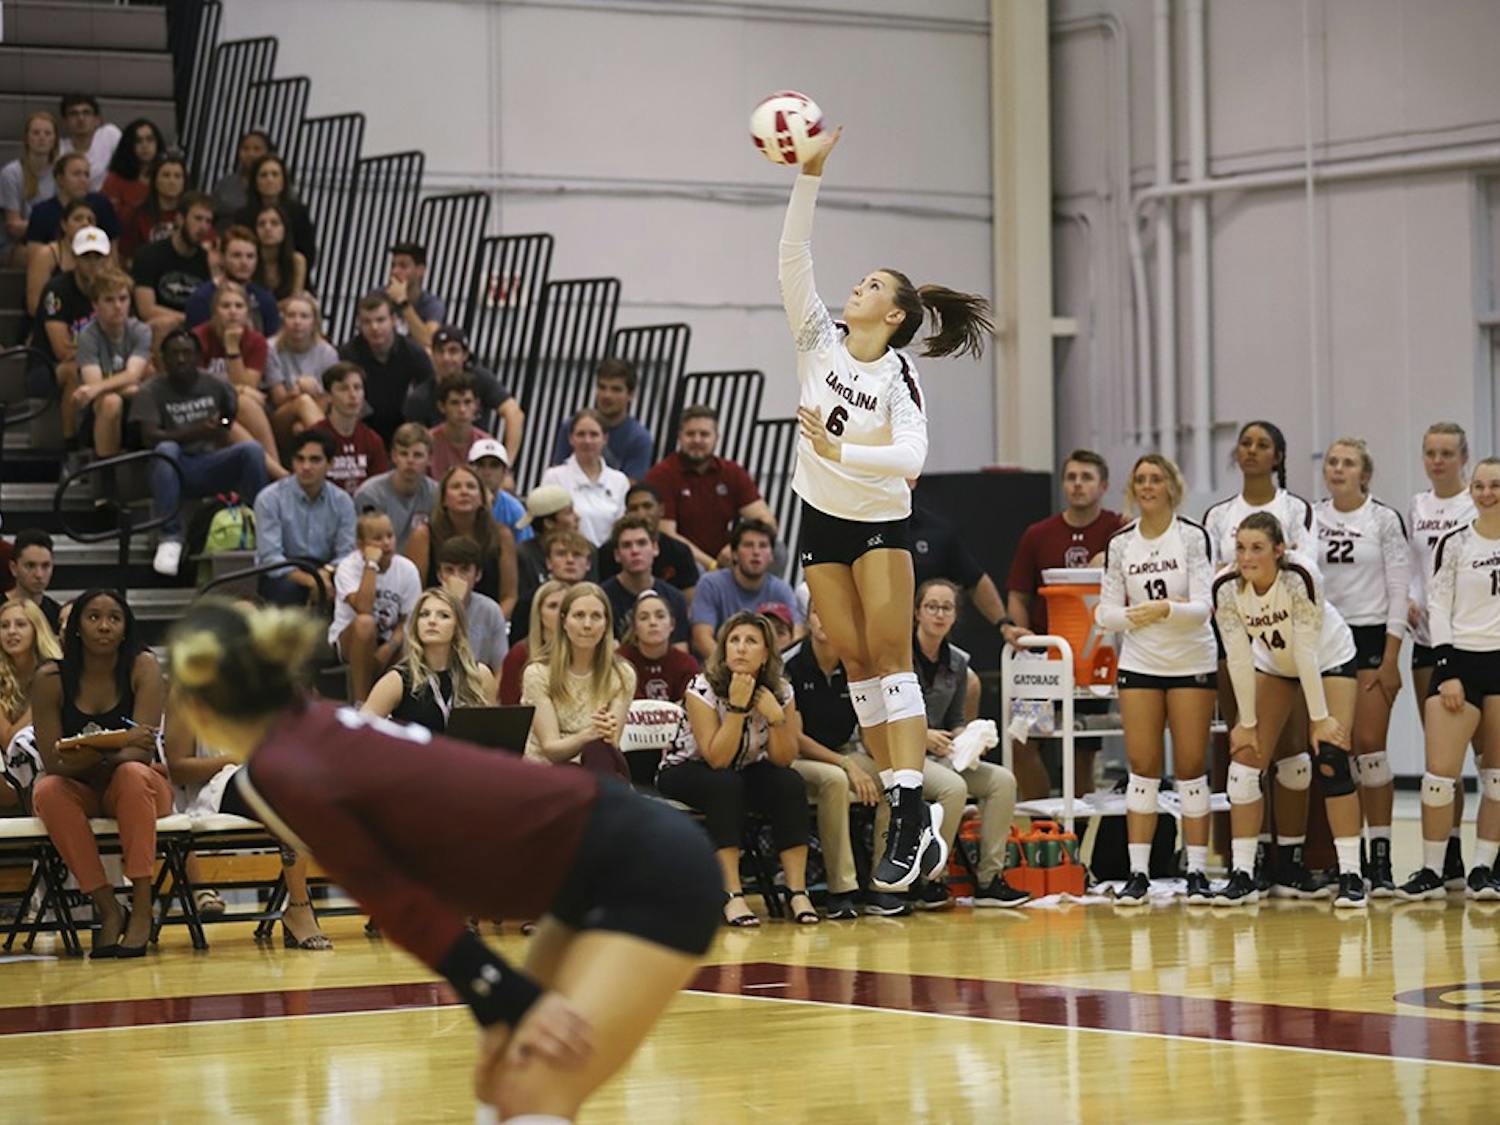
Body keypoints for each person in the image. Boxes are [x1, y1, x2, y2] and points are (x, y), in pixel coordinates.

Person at [165, 599, 720, 1124]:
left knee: (535, 1085)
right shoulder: (313, 722)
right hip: (592, 862)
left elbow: (392, 898)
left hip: (644, 866)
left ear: (200, 702)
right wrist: (500, 995)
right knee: (502, 1081)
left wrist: (500, 990)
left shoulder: (283, 765)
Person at [1214, 512, 1366, 908]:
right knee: (1246, 759)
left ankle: (1351, 874)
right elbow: (1238, 658)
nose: (1247, 558)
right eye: (1241, 548)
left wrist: (1320, 718)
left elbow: (1306, 649)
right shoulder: (1227, 587)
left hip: (1329, 656)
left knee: (1331, 757)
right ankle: (1243, 874)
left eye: (1257, 548)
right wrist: (1246, 724)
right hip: (1273, 664)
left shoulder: (1300, 575)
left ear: (1279, 550)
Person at [1095, 455, 1218, 904]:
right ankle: (1139, 873)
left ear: (1171, 485)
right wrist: (1137, 615)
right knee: (1142, 770)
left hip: (1191, 662)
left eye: (1156, 478)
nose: (1148, 486)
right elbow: (1103, 611)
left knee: (1189, 769)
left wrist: (1166, 609)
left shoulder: (1191, 536)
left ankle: (1198, 871)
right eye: (1140, 479)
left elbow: (1204, 607)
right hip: (1141, 663)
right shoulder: (1121, 543)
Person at [31, 590, 167, 957]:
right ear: (76, 628)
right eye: (93, 617)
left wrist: (87, 750)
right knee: (47, 791)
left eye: (114, 618)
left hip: (142, 790)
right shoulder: (50, 678)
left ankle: (142, 907)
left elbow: (142, 751)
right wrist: (115, 746)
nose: (104, 626)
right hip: (85, 791)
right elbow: (53, 762)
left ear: (126, 628)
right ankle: (109, 907)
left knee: (133, 775)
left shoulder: (144, 667)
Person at [658, 611, 816, 926]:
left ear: (766, 653)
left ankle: (797, 891)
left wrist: (776, 718)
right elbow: (716, 758)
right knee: (723, 784)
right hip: (686, 769)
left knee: (789, 782)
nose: (741, 648)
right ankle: (732, 894)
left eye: (750, 641)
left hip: (743, 768)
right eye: (734, 640)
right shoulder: (701, 686)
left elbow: (783, 758)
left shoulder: (781, 690)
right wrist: (738, 708)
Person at [1396, 457, 1500, 902]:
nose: (1486, 493)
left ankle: (1482, 870)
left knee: (1496, 777)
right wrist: (1447, 669)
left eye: (1495, 485)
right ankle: (1432, 871)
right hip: (1462, 661)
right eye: (1479, 485)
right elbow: (1438, 606)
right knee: (1439, 777)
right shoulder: (1455, 544)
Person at [1315, 437, 1410, 897]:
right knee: (1335, 749)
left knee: (1371, 749)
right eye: (1333, 462)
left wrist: (1391, 658)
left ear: (1364, 474)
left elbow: (1398, 591)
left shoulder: (1383, 519)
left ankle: (1382, 856)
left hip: (1372, 638)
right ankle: (1342, 859)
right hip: (1326, 640)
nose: (1338, 469)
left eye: (1348, 463)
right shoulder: (1311, 517)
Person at [1003, 449, 1124, 800]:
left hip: (1094, 659)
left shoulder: (1119, 530)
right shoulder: (1038, 535)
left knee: (1082, 753)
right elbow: (1018, 594)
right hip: (1046, 660)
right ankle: (1043, 826)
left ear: (1103, 486)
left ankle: (1076, 835)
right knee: (1023, 740)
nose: (1077, 484)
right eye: (1071, 477)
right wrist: (1025, 643)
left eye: (1086, 477)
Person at [907, 579, 1030, 910]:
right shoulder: (900, 657)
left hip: (941, 752)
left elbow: (957, 718)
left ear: (955, 615)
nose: (938, 614)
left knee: (1003, 781)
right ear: (917, 612)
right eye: (931, 606)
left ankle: (990, 880)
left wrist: (969, 739)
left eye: (946, 607)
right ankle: (929, 879)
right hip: (903, 752)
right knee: (953, 787)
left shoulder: (959, 662)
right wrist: (922, 736)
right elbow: (885, 718)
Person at [781, 598, 890, 919]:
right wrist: (846, 764)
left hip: (845, 750)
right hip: (797, 756)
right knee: (836, 781)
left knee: (892, 777)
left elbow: (868, 724)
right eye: (818, 612)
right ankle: (841, 888)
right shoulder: (791, 665)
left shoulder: (855, 664)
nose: (826, 620)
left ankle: (884, 884)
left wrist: (878, 761)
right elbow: (796, 739)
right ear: (808, 619)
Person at [132, 328, 267, 577]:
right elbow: (149, 436)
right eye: (174, 354)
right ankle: (170, 537)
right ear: (163, 359)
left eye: (187, 353)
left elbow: (229, 417)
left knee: (252, 450)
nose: (181, 359)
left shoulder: (216, 384)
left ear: (197, 357)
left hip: (210, 461)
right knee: (165, 449)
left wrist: (220, 427)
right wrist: (198, 431)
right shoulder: (150, 391)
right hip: (173, 468)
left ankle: (256, 526)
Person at [1407, 421, 1477, 888]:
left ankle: (1488, 857)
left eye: (1446, 453)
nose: (1437, 461)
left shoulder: (1480, 502)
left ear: (1463, 457)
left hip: (1477, 641)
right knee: (1442, 761)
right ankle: (1448, 853)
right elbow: (1414, 568)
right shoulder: (1416, 506)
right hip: (1429, 640)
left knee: (1488, 759)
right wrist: (1413, 599)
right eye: (1431, 452)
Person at [644, 404, 778, 570]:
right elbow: (668, 535)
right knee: (691, 565)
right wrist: (713, 565)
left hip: (725, 555)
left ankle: (763, 594)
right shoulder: (662, 474)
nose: (697, 440)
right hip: (684, 559)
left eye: (704, 434)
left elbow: (767, 522)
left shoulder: (731, 472)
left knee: (777, 550)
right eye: (690, 434)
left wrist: (735, 547)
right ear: (679, 437)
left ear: (717, 438)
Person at [521, 583, 634, 779]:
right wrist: (588, 734)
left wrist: (605, 733)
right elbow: (551, 750)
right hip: (547, 771)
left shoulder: (623, 674)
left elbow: (612, 744)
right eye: (579, 615)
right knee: (576, 766)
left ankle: (603, 801)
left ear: (606, 623)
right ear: (564, 621)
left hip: (597, 767)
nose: (588, 625)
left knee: (600, 749)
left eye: (596, 616)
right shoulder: (537, 673)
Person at [192, 280, 288, 481]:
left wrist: (233, 348)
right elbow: (195, 386)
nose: (233, 312)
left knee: (236, 413)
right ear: (215, 311)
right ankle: (281, 476)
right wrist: (240, 389)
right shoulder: (198, 337)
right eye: (226, 306)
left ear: (247, 312)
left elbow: (249, 384)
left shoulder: (256, 341)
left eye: (239, 306)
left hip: (232, 412)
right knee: (234, 412)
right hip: (203, 408)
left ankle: (275, 473)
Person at [363, 588, 496, 730]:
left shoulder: (479, 675)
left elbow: (495, 733)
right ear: (416, 624)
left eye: (443, 616)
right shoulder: (397, 680)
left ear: (457, 627)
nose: (431, 621)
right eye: (424, 615)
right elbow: (359, 730)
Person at [255, 429, 357, 607]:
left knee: (352, 589)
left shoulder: (343, 501)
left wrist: (325, 573)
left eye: (315, 460)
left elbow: (346, 554)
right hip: (284, 573)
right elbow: (271, 558)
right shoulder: (269, 498)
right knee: (287, 591)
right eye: (300, 459)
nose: (306, 467)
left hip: (328, 570)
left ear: (330, 464)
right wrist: (312, 581)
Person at [28, 224, 111, 439]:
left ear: (108, 259)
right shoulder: (57, 290)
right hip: (46, 368)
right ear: (74, 259)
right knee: (75, 370)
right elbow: (62, 350)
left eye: (98, 257)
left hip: (98, 360)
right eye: (86, 257)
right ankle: (70, 445)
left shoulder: (115, 291)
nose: (93, 264)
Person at [331, 510, 422, 704]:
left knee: (415, 642)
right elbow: (363, 608)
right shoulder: (348, 567)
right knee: (365, 623)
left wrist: (389, 647)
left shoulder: (407, 569)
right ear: (361, 546)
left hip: (391, 639)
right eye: (377, 538)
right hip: (351, 638)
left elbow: (408, 620)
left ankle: (403, 709)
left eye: (390, 535)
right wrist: (371, 564)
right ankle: (361, 704)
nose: (387, 543)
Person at [404, 464, 518, 616]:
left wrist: (491, 624)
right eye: (456, 487)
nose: (464, 492)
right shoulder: (423, 535)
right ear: (443, 499)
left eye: (471, 487)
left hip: (487, 621)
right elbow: (414, 594)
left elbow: (509, 596)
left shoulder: (502, 536)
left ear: (482, 498)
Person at [408, 325, 524, 463]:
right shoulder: (420, 397)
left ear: (465, 355)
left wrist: (506, 464)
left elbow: (514, 414)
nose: (446, 358)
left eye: (453, 351)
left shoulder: (480, 379)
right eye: (440, 351)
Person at [689, 519, 801, 661]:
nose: (756, 552)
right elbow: (701, 638)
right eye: (748, 545)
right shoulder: (711, 584)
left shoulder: (782, 589)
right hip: (718, 669)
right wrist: (732, 667)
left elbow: (798, 634)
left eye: (763, 546)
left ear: (771, 555)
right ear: (734, 553)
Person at [73, 266, 150, 458]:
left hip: (135, 406)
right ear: (95, 305)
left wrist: (97, 389)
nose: (118, 306)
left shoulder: (141, 331)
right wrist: (129, 388)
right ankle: (106, 475)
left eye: (123, 299)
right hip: (96, 413)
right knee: (111, 402)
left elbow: (133, 374)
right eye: (109, 300)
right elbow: (93, 385)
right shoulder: (87, 336)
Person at [340, 291, 436, 446]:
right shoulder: (348, 354)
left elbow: (430, 391)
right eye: (367, 322)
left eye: (380, 320)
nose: (374, 327)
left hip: (405, 429)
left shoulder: (413, 353)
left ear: (393, 320)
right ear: (359, 324)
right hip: (361, 426)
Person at [549, 358, 654, 480]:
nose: (607, 395)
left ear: (630, 395)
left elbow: (631, 487)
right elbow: (558, 473)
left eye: (616, 389)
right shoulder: (572, 426)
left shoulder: (639, 438)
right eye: (602, 387)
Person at [542, 409, 630, 549]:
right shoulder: (554, 477)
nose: (587, 441)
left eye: (594, 435)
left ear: (605, 439)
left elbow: (622, 529)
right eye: (581, 434)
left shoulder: (620, 481)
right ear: (571, 439)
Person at [131, 191, 214, 339]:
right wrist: (189, 319)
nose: (203, 227)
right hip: (157, 330)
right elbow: (146, 309)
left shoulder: (208, 261)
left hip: (197, 334)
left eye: (208, 221)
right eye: (198, 219)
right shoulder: (149, 255)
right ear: (180, 219)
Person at [597, 482, 699, 601]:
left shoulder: (680, 552)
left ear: (661, 509)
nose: (641, 514)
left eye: (647, 506)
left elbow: (689, 603)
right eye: (634, 508)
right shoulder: (606, 553)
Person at [601, 515, 690, 647]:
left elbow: (681, 651)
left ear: (655, 548)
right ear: (617, 555)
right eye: (627, 545)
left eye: (642, 543)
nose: (635, 551)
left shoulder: (675, 598)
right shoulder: (602, 598)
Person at [355, 423, 438, 551]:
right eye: (404, 454)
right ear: (394, 456)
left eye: (417, 455)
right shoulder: (370, 494)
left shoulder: (436, 493)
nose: (410, 461)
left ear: (430, 459)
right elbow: (365, 544)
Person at [185, 225, 281, 335]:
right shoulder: (201, 299)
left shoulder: (266, 299)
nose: (244, 262)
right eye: (236, 255)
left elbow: (272, 344)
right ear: (222, 257)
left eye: (250, 256)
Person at [436, 535, 509, 674]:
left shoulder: (491, 611)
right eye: (449, 570)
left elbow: (501, 669)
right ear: (440, 575)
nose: (456, 577)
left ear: (478, 575)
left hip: (479, 686)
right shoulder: (424, 608)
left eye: (464, 570)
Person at [0, 599, 63, 759]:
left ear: (37, 630)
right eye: (4, 626)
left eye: (20, 624)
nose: (11, 631)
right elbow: (8, 741)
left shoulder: (55, 673)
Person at [312, 361, 385, 495]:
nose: (353, 395)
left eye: (357, 388)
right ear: (328, 396)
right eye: (343, 389)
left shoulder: (373, 441)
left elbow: (379, 491)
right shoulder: (314, 438)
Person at [235, 154, 317, 271]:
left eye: (275, 174)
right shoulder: (243, 215)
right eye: (263, 175)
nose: (270, 179)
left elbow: (307, 252)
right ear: (255, 181)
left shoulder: (298, 213)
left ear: (283, 180)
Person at [618, 589, 699, 704]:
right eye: (644, 617)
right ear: (634, 628)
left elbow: (692, 706)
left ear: (672, 625)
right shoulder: (620, 661)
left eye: (660, 616)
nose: (653, 622)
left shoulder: (686, 664)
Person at [0, 110, 58, 266]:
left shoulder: (60, 173)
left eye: (47, 133)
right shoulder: (11, 173)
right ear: (27, 138)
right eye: (36, 133)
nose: (42, 138)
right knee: (43, 257)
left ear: (54, 140)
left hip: (53, 242)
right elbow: (13, 226)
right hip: (14, 245)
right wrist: (50, 225)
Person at [25, 196, 99, 319]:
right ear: (64, 224)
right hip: (47, 321)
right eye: (78, 219)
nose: (85, 223)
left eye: (91, 220)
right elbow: (34, 305)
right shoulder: (46, 255)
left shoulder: (102, 256)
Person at [25, 152, 119, 245]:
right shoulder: (42, 212)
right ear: (60, 179)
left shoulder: (101, 204)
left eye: (86, 175)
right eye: (76, 174)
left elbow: (113, 243)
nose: (83, 180)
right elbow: (34, 251)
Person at [500, 579, 568, 706]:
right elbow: (509, 707)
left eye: (565, 607)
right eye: (553, 606)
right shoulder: (520, 654)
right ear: (539, 613)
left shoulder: (582, 650)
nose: (560, 613)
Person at [267, 291, 340, 409]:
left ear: (314, 322)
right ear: (283, 320)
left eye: (304, 316)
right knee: (304, 402)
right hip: (282, 411)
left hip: (318, 408)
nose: (297, 322)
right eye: (291, 315)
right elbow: (278, 399)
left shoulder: (328, 353)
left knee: (299, 428)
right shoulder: (271, 347)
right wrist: (299, 389)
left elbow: (331, 397)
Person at [99, 118, 164, 237]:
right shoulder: (115, 180)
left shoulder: (168, 176)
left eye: (149, 140)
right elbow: (107, 218)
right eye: (138, 141)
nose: (145, 145)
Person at [119, 154, 187, 264]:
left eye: (178, 176)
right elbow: (126, 256)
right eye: (166, 175)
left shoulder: (192, 216)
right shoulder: (137, 215)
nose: (172, 181)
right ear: (155, 180)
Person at [428, 373, 491, 480]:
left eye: (467, 402)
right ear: (442, 407)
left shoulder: (487, 444)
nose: (462, 410)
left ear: (476, 405)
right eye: (454, 403)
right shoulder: (428, 441)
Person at [56, 95, 122, 193]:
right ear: (65, 121)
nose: (81, 118)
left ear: (97, 120)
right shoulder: (59, 148)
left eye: (86, 113)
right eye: (74, 114)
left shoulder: (109, 135)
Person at [387, 241, 445, 348]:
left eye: (403, 266)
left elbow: (429, 340)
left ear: (420, 271)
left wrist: (403, 303)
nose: (394, 271)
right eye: (393, 265)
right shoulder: (380, 296)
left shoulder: (431, 304)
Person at [6, 529, 64, 635]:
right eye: (30, 566)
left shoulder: (57, 614)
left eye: (45, 566)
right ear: (13, 568)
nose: (39, 574)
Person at [210, 129, 273, 224]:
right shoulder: (226, 184)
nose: (250, 154)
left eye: (257, 149)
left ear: (268, 152)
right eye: (245, 149)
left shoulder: (274, 183)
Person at [469, 439, 526, 534]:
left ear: (504, 472)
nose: (487, 472)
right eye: (480, 464)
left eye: (494, 465)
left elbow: (524, 545)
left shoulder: (514, 509)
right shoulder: (457, 500)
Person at [252, 203, 306, 300]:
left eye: (274, 223)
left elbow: (296, 298)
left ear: (284, 229)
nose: (267, 228)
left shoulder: (296, 260)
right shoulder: (249, 258)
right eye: (261, 224)